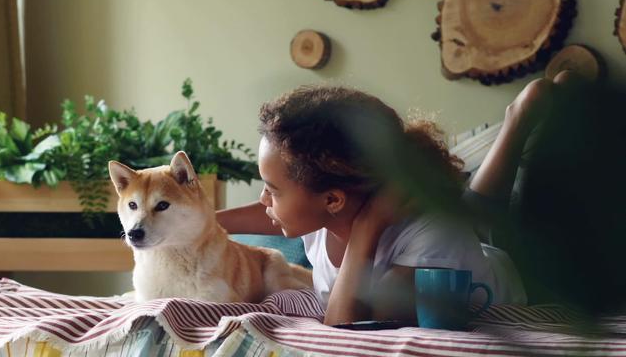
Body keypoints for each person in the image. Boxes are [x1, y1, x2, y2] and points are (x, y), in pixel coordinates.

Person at [215, 72, 576, 325]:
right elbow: (269, 216)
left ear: (334, 200)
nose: (264, 199)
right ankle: (521, 116)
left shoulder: (428, 237)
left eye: (273, 190)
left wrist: (366, 231)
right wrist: (203, 220)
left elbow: (348, 329)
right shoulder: (318, 213)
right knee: (473, 213)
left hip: (514, 278)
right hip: (456, 240)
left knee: (479, 217)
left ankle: (521, 121)